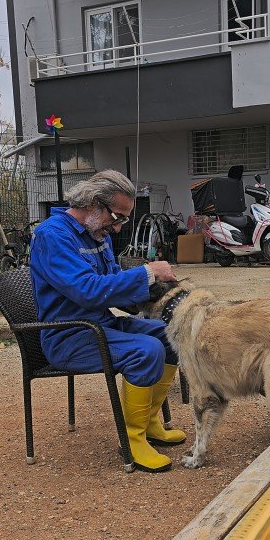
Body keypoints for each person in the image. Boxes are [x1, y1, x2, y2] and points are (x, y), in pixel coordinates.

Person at [30, 169, 185, 472]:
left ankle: (150, 423)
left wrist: (154, 293)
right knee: (146, 351)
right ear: (93, 203)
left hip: (101, 325)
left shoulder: (96, 233)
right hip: (69, 336)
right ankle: (132, 439)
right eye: (117, 217)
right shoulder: (52, 236)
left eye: (123, 220)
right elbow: (87, 290)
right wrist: (147, 272)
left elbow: (112, 283)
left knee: (171, 334)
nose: (117, 228)